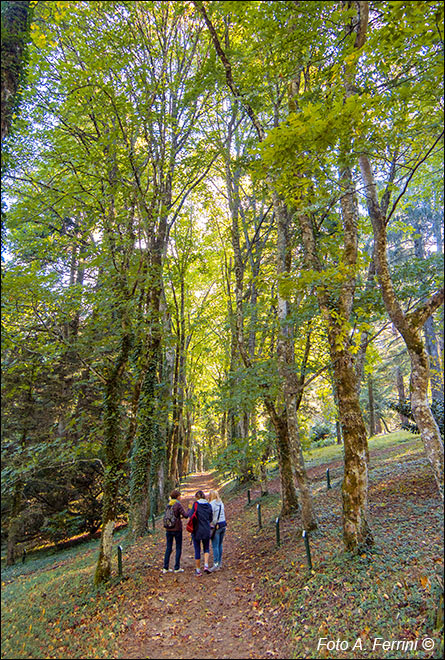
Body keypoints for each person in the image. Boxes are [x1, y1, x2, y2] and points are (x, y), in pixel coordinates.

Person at [162, 489, 189, 574]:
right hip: (177, 529)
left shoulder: (168, 505)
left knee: (168, 547)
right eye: (180, 496)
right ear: (177, 496)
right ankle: (176, 567)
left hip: (168, 528)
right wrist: (189, 509)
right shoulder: (177, 505)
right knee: (178, 547)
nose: (180, 497)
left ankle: (165, 567)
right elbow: (185, 515)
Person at [189, 490, 213, 576]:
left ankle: (198, 570)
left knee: (197, 549)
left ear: (197, 497)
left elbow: (191, 516)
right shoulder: (209, 505)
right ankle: (206, 565)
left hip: (197, 530)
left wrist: (189, 508)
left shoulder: (195, 505)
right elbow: (211, 518)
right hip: (206, 529)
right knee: (206, 548)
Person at [209, 489, 227, 571]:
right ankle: (219, 563)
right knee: (220, 544)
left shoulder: (211, 504)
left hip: (216, 526)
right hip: (223, 524)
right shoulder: (221, 503)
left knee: (215, 545)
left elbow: (210, 516)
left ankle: (215, 564)